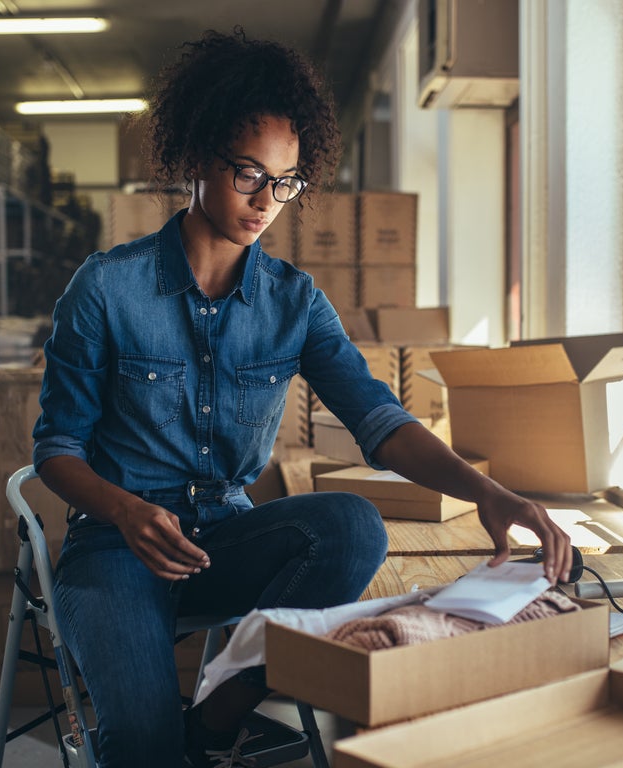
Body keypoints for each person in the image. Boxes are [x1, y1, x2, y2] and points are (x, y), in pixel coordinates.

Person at [32, 26, 573, 768]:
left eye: (285, 182)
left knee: (353, 525)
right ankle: (174, 736)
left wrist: (488, 492)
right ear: (195, 158)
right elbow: (56, 450)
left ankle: (218, 716)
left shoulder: (294, 301)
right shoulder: (106, 287)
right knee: (142, 752)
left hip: (224, 534)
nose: (267, 200)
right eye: (248, 173)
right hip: (117, 546)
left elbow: (378, 419)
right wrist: (125, 510)